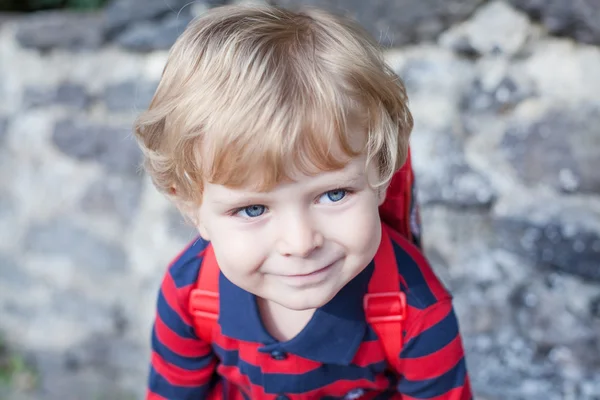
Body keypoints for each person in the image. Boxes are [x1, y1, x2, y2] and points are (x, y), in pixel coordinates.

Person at [134, 4, 471, 399]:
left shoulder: (414, 312)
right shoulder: (191, 293)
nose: (300, 242)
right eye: (253, 209)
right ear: (192, 208)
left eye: (333, 194)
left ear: (380, 174)